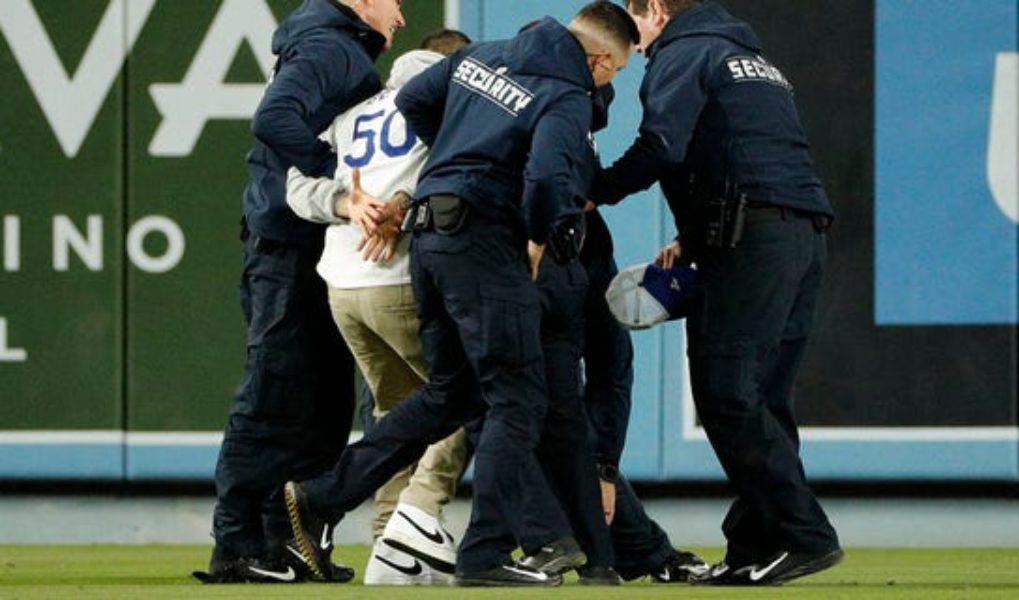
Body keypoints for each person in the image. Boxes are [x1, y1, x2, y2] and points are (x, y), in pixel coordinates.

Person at [282, 1, 639, 586]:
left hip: (428, 239)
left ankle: (324, 495)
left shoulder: (484, 55)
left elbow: (414, 100)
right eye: (615, 72)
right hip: (484, 245)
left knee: (449, 395)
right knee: (520, 399)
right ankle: (485, 554)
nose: (608, 83)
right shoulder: (566, 93)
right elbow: (550, 178)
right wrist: (534, 236)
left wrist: (450, 161)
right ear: (600, 59)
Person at [589, 0, 843, 586]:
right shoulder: (753, 59)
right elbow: (749, 154)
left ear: (656, 9)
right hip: (801, 235)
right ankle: (753, 545)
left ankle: (804, 535)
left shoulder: (684, 51)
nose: (637, 41)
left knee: (726, 391)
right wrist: (694, 234)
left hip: (750, 241)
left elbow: (660, 146)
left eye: (637, 22)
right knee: (766, 397)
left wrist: (593, 191)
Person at [194, 0, 404, 584]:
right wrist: (334, 174)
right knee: (274, 395)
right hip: (287, 245)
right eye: (394, 2)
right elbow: (274, 118)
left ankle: (286, 541)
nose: (401, 17)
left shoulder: (334, 44)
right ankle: (237, 544)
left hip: (314, 247)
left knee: (325, 405)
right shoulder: (328, 46)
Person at [285, 32, 473, 586]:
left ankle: (388, 544)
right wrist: (399, 208)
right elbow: (456, 178)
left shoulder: (353, 112)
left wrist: (350, 205)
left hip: (343, 286)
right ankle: (413, 521)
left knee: (397, 415)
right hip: (401, 277)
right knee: (463, 400)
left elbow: (295, 187)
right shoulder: (444, 102)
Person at [580, 84, 711, 584]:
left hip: (578, 262)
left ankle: (621, 550)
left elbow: (613, 371)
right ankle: (520, 544)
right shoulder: (551, 107)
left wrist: (604, 469)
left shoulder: (570, 115)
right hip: (526, 273)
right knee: (524, 413)